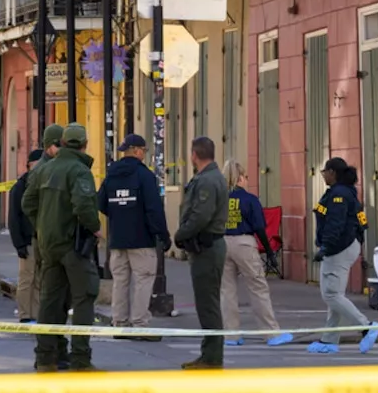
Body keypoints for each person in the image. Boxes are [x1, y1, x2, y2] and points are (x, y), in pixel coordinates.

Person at [22, 124, 101, 373]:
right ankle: (80, 358)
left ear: (63, 143)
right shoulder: (79, 171)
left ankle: (46, 358)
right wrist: (95, 227)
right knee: (84, 297)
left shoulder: (44, 169)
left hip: (49, 245)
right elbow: (83, 205)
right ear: (85, 144)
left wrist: (42, 226)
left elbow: (27, 202)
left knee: (50, 301)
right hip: (72, 244)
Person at [98, 133, 169, 337]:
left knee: (120, 281)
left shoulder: (111, 174)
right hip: (141, 239)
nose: (144, 155)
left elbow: (100, 202)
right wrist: (163, 235)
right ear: (137, 151)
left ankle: (119, 322)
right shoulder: (145, 176)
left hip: (118, 239)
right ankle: (139, 324)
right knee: (143, 280)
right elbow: (154, 209)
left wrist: (118, 214)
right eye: (144, 151)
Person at [221, 160, 293, 347]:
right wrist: (269, 252)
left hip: (222, 243)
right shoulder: (250, 199)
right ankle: (271, 333)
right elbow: (260, 228)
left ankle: (231, 335)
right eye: (246, 177)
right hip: (244, 242)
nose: (247, 180)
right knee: (258, 287)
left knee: (227, 291)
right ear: (239, 179)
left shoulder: (219, 198)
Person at [311, 157, 378, 354]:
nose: (323, 175)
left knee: (331, 294)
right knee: (335, 295)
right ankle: (329, 339)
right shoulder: (345, 192)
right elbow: (360, 221)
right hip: (345, 246)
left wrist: (326, 247)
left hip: (338, 248)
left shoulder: (338, 195)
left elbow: (335, 224)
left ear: (332, 172)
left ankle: (366, 326)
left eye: (325, 171)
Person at [174, 136, 228, 370]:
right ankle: (209, 353)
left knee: (208, 305)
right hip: (205, 247)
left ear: (194, 155)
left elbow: (200, 216)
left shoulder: (207, 180)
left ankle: (212, 357)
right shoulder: (208, 177)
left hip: (207, 247)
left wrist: (181, 234)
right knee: (207, 303)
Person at [9, 148, 44, 323]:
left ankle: (35, 314)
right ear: (29, 165)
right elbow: (14, 218)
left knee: (38, 279)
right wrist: (19, 244)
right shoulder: (20, 187)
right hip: (27, 239)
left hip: (41, 239)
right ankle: (24, 315)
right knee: (26, 279)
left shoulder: (43, 183)